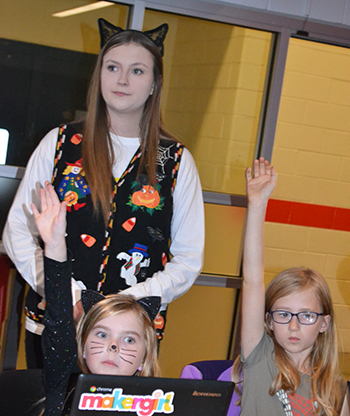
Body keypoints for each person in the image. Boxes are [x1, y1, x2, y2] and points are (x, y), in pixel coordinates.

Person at [3, 19, 205, 368]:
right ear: (100, 76)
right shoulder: (61, 143)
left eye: (137, 70)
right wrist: (70, 295)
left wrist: (125, 305)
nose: (122, 79)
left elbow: (188, 260)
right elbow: (17, 232)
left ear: (155, 83)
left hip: (131, 338)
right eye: (113, 68)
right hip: (56, 323)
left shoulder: (175, 162)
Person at [31, 182, 161, 416]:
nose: (113, 346)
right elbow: (58, 321)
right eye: (102, 334)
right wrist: (55, 245)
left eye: (129, 339)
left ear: (144, 358)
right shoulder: (63, 380)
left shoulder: (152, 408)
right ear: (81, 346)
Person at [233, 157, 345, 416]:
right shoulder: (259, 356)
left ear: (324, 323)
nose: (293, 326)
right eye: (283, 315)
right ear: (268, 321)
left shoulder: (334, 384)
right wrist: (257, 204)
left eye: (306, 315)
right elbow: (253, 280)